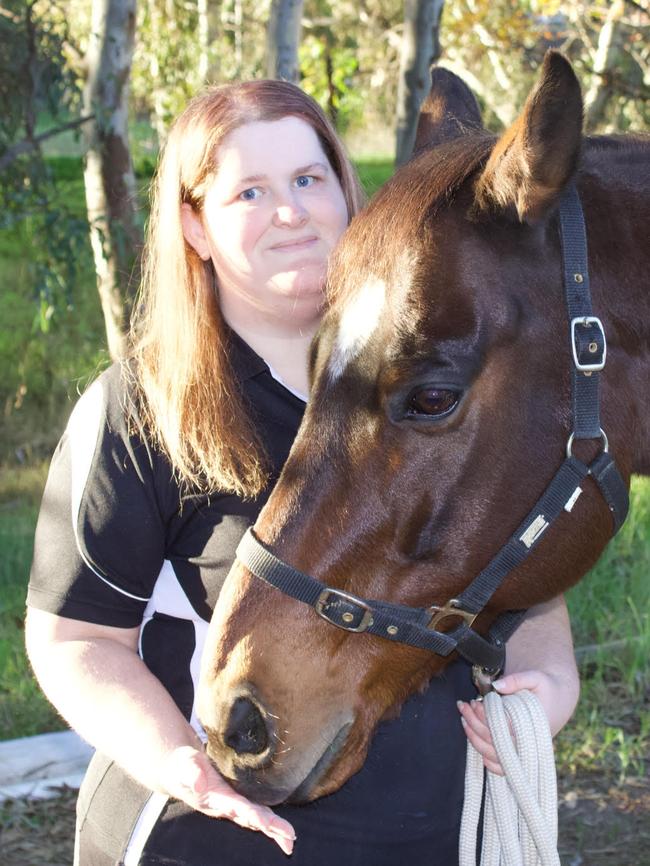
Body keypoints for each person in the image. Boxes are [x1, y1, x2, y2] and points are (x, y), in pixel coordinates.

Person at [25, 80, 579, 865]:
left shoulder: (444, 381)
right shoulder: (144, 409)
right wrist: (177, 762)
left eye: (308, 180)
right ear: (195, 225)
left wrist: (547, 683)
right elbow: (75, 640)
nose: (290, 211)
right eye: (250, 190)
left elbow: (529, 582)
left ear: (346, 192)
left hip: (444, 836)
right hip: (211, 838)